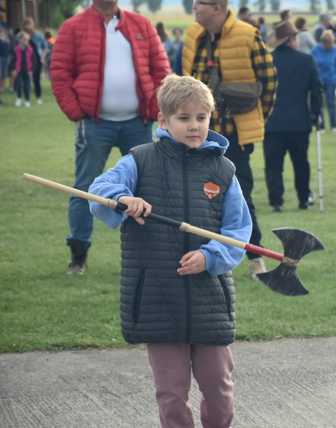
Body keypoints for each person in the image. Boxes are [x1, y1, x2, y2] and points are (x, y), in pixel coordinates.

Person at [89, 74, 251, 428]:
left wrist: (210, 257)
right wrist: (122, 199)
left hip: (210, 298)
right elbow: (99, 190)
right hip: (158, 298)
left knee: (220, 390)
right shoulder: (140, 160)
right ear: (163, 121)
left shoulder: (223, 170)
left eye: (201, 118)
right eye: (183, 118)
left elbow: (238, 231)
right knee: (171, 394)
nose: (194, 126)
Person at [51, 0, 171, 274]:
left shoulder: (141, 24)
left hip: (138, 123)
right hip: (94, 124)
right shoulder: (73, 28)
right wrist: (76, 112)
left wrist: (154, 108)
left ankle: (151, 256)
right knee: (84, 189)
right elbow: (60, 74)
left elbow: (161, 70)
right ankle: (78, 255)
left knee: (149, 189)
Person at [183, 0, 277, 279]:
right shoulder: (192, 36)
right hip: (197, 133)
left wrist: (255, 120)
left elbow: (269, 83)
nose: (194, 8)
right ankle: (198, 255)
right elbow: (184, 82)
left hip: (235, 135)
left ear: (217, 8)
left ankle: (255, 256)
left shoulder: (248, 35)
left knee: (241, 195)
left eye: (199, 3)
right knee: (194, 194)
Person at [264, 21, 322, 212]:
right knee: (301, 164)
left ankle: (276, 200)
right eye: (295, 37)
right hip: (299, 122)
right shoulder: (306, 60)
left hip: (272, 123)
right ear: (290, 40)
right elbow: (316, 91)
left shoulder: (268, 60)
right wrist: (316, 114)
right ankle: (303, 198)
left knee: (273, 165)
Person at [312, 30, 336, 132]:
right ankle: (320, 126)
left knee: (331, 103)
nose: (329, 45)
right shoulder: (316, 50)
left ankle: (334, 126)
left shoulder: (335, 50)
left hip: (331, 80)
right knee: (318, 104)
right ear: (323, 41)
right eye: (327, 42)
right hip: (318, 80)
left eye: (331, 42)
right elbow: (312, 65)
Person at [22, 18, 45, 105]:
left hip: (37, 60)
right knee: (25, 80)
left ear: (33, 25)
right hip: (25, 60)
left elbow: (44, 46)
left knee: (36, 80)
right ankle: (26, 99)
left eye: (30, 24)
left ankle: (38, 97)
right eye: (26, 24)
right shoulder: (22, 35)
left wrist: (42, 56)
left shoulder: (39, 35)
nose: (28, 26)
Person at [12, 31, 32, 107]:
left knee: (27, 86)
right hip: (18, 70)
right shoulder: (16, 49)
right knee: (19, 85)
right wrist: (13, 69)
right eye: (24, 39)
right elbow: (13, 60)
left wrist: (31, 69)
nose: (25, 41)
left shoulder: (30, 49)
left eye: (27, 39)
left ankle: (27, 100)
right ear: (20, 40)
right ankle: (18, 99)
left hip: (27, 70)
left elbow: (33, 60)